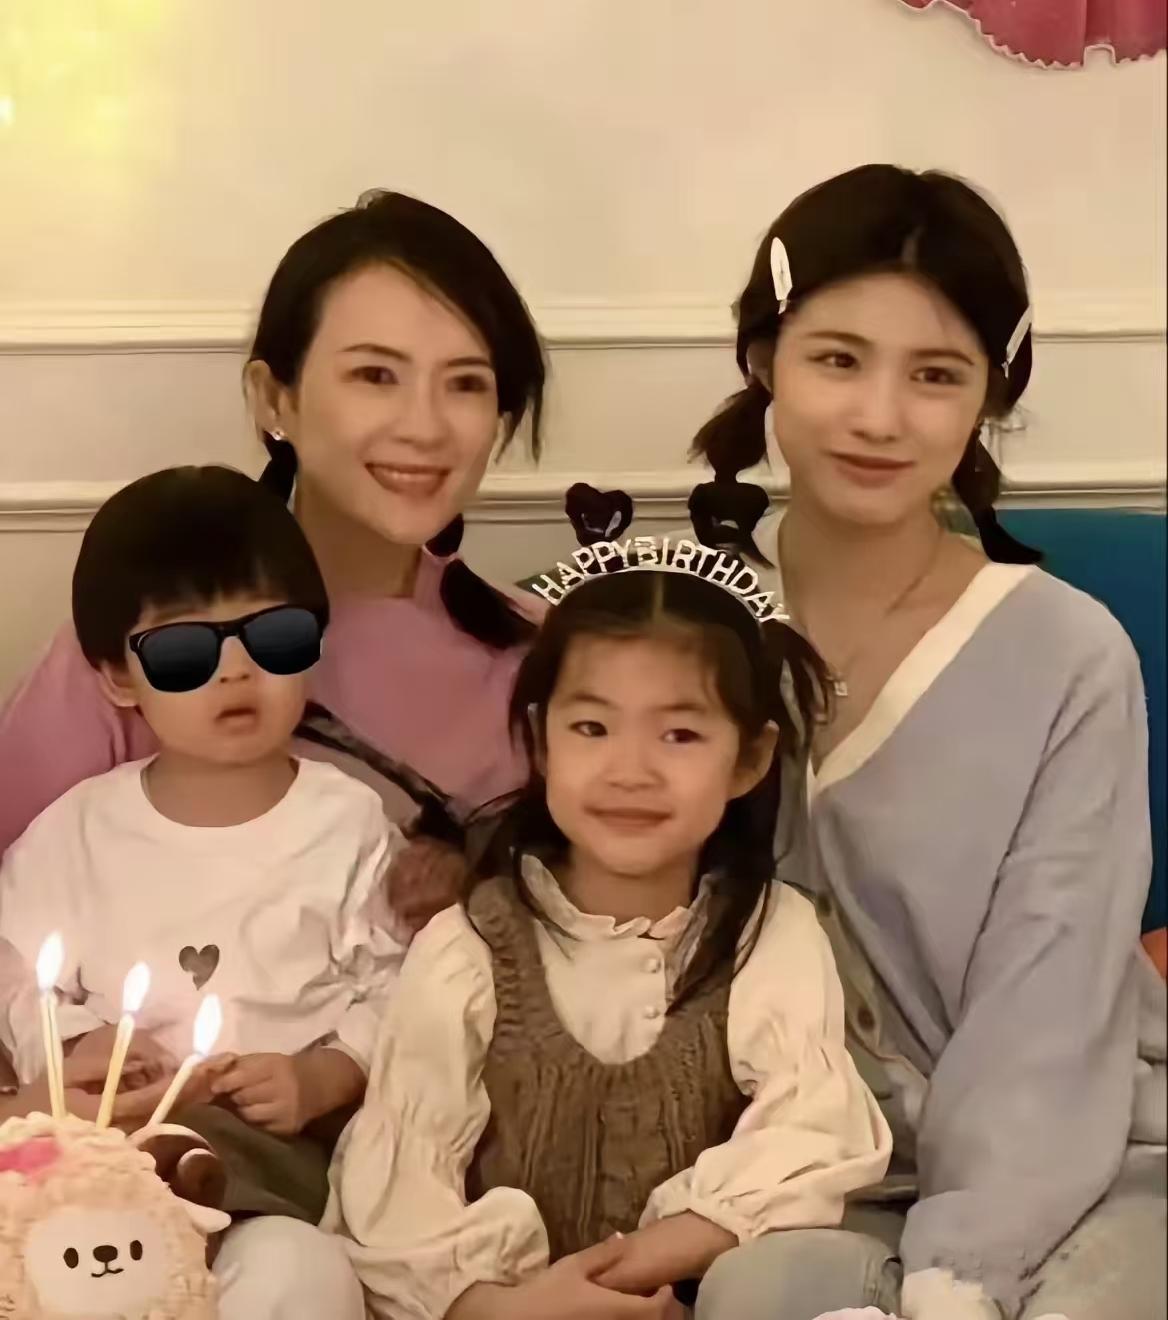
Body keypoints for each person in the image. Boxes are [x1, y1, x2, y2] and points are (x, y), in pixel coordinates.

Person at [688, 164, 1167, 1319]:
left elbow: (1050, 1008)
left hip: (1075, 1166)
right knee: (753, 1301)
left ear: (987, 396)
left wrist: (963, 1270)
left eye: (936, 375)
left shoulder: (1067, 653)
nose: (880, 416)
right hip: (804, 1175)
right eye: (837, 359)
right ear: (762, 359)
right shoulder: (676, 626)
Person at [327, 536, 895, 1320]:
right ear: (540, 739)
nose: (631, 771)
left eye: (680, 735)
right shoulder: (469, 947)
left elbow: (811, 1132)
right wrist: (509, 1307)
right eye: (592, 728)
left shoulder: (769, 934)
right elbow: (399, 1190)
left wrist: (635, 1269)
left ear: (750, 758)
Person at [0, 189, 548, 934]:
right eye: (375, 375)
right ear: (273, 399)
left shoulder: (544, 657)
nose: (425, 427)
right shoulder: (150, 638)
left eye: (466, 384)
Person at [0, 465, 404, 1320]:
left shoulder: (349, 825)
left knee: (305, 1273)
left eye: (275, 637)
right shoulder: (78, 831)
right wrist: (74, 1045)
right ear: (118, 678)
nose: (236, 671)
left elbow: (403, 986)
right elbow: (17, 973)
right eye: (186, 651)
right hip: (102, 1169)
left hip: (270, 1171)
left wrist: (325, 1074)